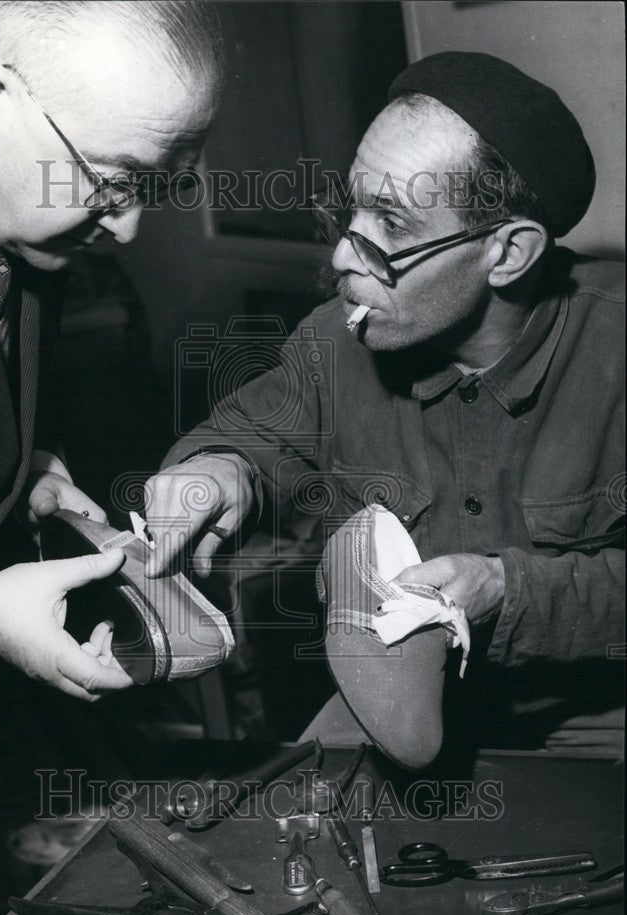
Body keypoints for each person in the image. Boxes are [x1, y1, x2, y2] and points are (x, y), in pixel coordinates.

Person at [142, 52, 624, 752]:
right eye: (350, 211)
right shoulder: (334, 341)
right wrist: (218, 473)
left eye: (389, 226)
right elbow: (251, 436)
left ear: (509, 253)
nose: (343, 256)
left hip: (597, 710)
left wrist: (504, 592)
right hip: (414, 706)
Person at [0, 1, 222, 915]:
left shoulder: (8, 162)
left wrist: (23, 472)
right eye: (113, 181)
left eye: (153, 185)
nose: (124, 225)